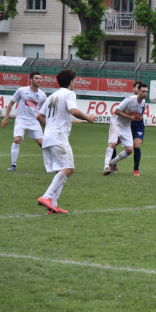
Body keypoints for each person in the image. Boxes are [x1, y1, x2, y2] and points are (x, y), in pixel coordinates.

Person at [36, 69, 96, 214]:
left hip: (48, 137)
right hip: (58, 137)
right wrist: (88, 117)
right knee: (69, 169)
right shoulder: (69, 94)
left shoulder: (52, 96)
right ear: (70, 82)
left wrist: (50, 127)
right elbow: (74, 111)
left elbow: (39, 116)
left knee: (60, 170)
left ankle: (53, 206)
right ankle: (47, 197)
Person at [1, 72, 47, 171]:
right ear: (31, 80)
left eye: (40, 78)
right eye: (36, 78)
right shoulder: (22, 90)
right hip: (21, 120)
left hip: (34, 122)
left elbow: (46, 109)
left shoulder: (42, 95)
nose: (39, 80)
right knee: (17, 139)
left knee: (42, 143)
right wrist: (6, 118)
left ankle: (51, 164)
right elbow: (11, 103)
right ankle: (13, 165)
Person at [103, 82, 148, 175]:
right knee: (112, 143)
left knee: (129, 150)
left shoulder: (143, 102)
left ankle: (113, 162)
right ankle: (106, 166)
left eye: (146, 92)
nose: (145, 93)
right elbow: (116, 111)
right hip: (116, 122)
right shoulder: (129, 100)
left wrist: (137, 117)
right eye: (143, 91)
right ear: (138, 92)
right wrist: (130, 117)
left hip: (126, 125)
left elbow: (135, 114)